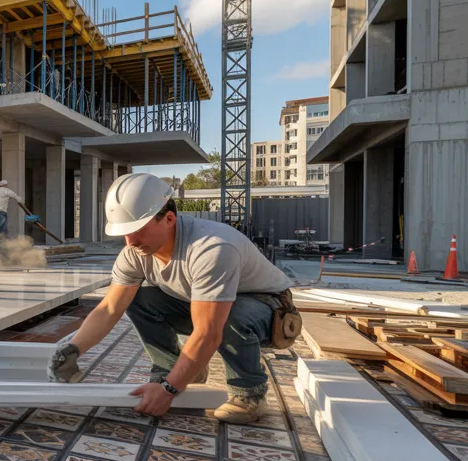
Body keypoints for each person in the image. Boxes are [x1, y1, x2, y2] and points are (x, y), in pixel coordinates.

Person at [47, 172, 299, 423]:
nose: (130, 241)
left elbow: (209, 331)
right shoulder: (135, 252)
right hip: (206, 306)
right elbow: (109, 309)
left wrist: (168, 391)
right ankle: (174, 368)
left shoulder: (211, 248)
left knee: (231, 315)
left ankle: (249, 394)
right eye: (124, 233)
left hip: (268, 310)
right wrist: (72, 349)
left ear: (169, 218)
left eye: (137, 230)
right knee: (138, 298)